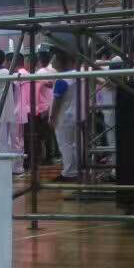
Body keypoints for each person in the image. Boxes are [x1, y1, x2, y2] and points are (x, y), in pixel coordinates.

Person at [48, 49, 79, 182]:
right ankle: (75, 170)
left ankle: (69, 173)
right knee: (74, 144)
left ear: (61, 62)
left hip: (64, 116)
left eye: (54, 59)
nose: (52, 62)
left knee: (65, 144)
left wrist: (52, 117)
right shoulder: (77, 75)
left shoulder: (61, 80)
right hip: (76, 114)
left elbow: (57, 101)